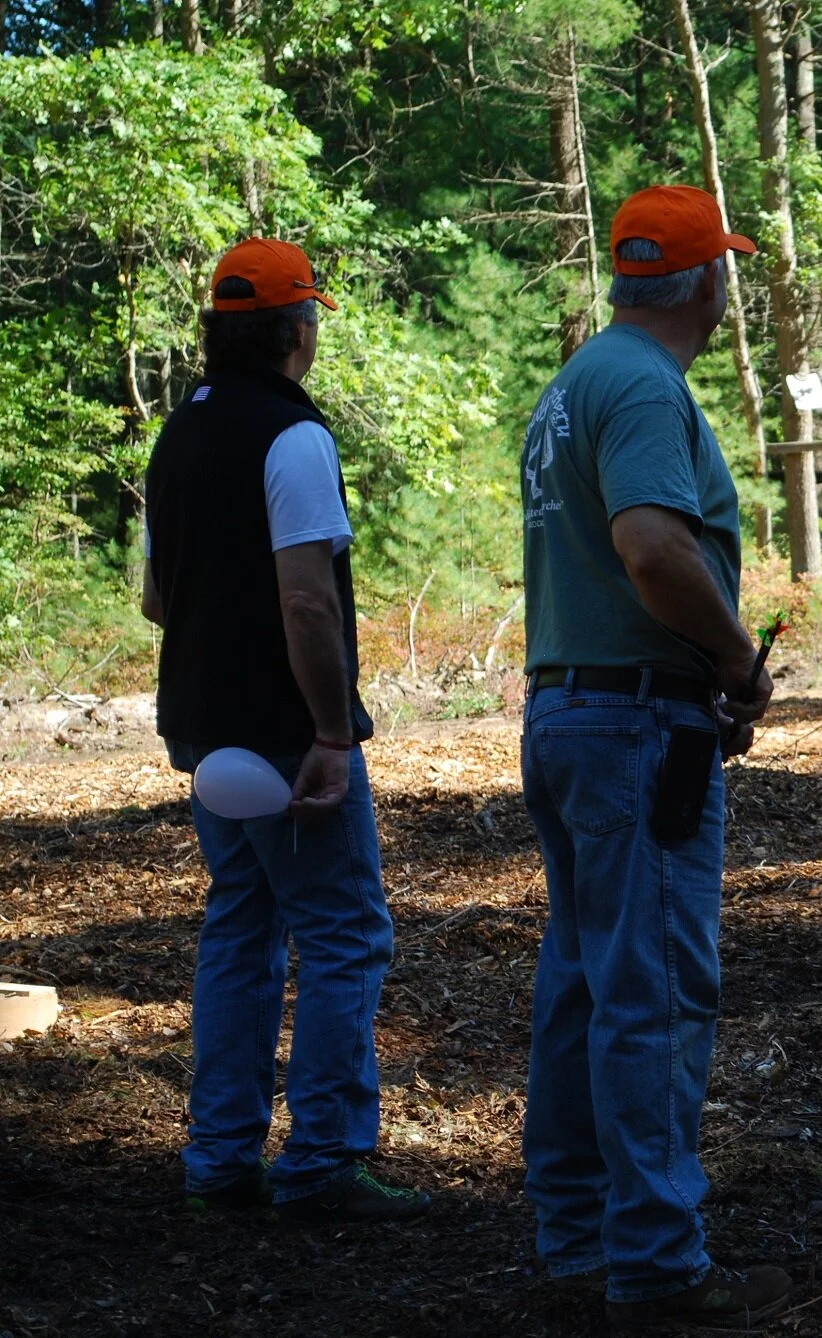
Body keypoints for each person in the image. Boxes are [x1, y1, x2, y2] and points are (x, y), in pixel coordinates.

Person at [517, 185, 788, 1331]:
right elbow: (649, 545)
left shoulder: (577, 381)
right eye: (723, 271)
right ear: (707, 285)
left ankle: (581, 1244)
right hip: (635, 726)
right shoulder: (639, 385)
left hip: (574, 714)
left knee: (585, 988)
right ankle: (658, 1269)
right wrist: (733, 660)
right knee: (655, 997)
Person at [142, 238, 430, 1223]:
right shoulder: (293, 438)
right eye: (311, 316)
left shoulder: (178, 434)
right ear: (295, 331)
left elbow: (154, 599)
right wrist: (331, 733)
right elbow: (308, 604)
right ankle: (320, 1165)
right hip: (281, 732)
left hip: (202, 728)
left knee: (241, 928)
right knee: (346, 936)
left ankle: (219, 1159)